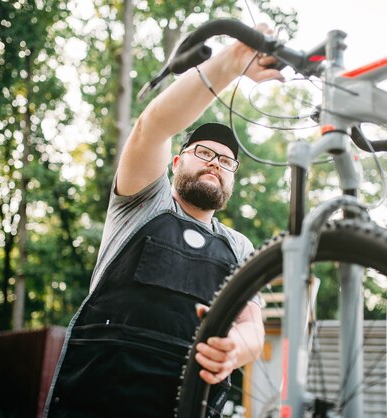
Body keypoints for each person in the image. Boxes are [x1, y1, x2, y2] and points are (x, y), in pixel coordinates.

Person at [44, 23, 283, 418]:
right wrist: (232, 63)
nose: (215, 163)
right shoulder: (141, 205)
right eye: (204, 151)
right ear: (176, 162)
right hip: (97, 400)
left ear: (233, 178)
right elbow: (152, 127)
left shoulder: (238, 246)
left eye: (226, 161)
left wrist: (234, 350)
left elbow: (253, 329)